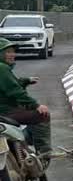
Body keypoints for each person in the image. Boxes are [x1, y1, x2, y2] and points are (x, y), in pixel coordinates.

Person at [0, 38, 52, 167]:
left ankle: (21, 142)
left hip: (4, 110)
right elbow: (15, 91)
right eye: (8, 52)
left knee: (26, 112)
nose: (13, 54)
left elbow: (10, 83)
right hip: (5, 111)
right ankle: (44, 154)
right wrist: (36, 105)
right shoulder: (2, 68)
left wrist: (26, 80)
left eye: (13, 51)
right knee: (42, 115)